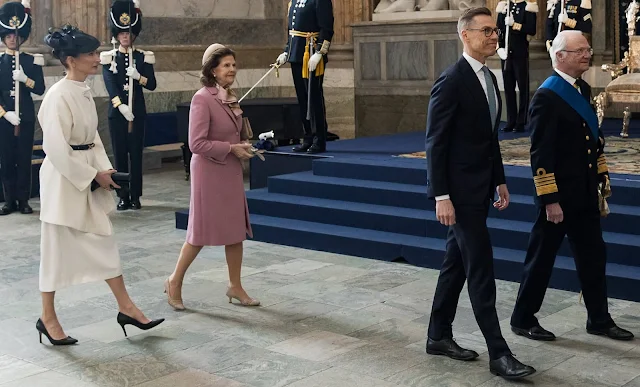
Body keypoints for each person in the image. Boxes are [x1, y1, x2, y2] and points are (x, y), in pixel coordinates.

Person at [424, 7, 536, 380]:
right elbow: (435, 143)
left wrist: (499, 179)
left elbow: (489, 137)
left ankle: (438, 335)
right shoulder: (452, 80)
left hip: (480, 186)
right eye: (486, 30)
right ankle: (499, 354)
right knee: (481, 269)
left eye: (495, 30)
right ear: (465, 35)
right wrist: (441, 195)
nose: (494, 35)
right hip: (459, 194)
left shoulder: (489, 77)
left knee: (455, 265)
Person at [37, 24, 164, 346]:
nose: (97, 58)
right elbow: (55, 148)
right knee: (54, 253)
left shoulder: (81, 90)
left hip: (84, 176)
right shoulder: (57, 96)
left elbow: (91, 138)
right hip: (63, 182)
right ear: (70, 59)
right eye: (91, 54)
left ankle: (127, 308)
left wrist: (105, 169)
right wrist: (92, 175)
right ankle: (47, 318)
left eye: (96, 53)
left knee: (104, 242)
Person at [510, 30, 634, 342]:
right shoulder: (547, 97)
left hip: (584, 194)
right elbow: (541, 154)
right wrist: (550, 199)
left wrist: (601, 179)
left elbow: (593, 142)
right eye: (580, 50)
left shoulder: (581, 88)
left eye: (588, 49)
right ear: (560, 56)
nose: (587, 54)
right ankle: (523, 318)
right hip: (560, 198)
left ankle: (599, 319)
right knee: (541, 259)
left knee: (594, 257)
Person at [165, 43, 259, 310]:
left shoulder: (230, 96)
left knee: (235, 230)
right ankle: (174, 281)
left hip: (229, 170)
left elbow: (235, 133)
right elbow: (196, 144)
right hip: (208, 171)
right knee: (200, 233)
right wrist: (231, 148)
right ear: (213, 70)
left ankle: (235, 286)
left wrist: (245, 145)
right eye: (226, 65)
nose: (232, 69)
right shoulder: (202, 98)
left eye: (233, 64)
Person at [101, 0, 156, 210]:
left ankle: (135, 195)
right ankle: (122, 195)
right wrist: (121, 106)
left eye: (129, 32)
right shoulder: (109, 58)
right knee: (120, 154)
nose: (125, 36)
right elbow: (110, 86)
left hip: (138, 112)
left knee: (136, 155)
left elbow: (151, 84)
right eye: (122, 32)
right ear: (116, 34)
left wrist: (139, 76)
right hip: (118, 114)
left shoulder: (143, 57)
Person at [0, 0, 45, 215]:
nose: (12, 39)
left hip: (25, 117)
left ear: (21, 38)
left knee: (23, 161)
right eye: (8, 36)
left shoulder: (31, 61)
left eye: (15, 36)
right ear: (3, 37)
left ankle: (23, 200)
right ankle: (9, 201)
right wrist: (5, 113)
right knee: (7, 160)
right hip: (4, 119)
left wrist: (25, 79)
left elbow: (40, 89)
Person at [274, 0, 334, 154]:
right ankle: (307, 137)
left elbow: (326, 29)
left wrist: (320, 52)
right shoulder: (293, 1)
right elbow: (291, 30)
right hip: (297, 54)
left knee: (313, 99)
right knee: (302, 98)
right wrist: (287, 51)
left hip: (312, 54)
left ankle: (319, 139)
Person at [496, 0, 537, 133]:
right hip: (506, 53)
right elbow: (498, 29)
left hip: (520, 52)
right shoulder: (504, 6)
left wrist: (515, 25)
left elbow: (531, 29)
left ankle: (521, 121)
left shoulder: (528, 6)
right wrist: (499, 48)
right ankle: (511, 120)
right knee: (508, 88)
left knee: (522, 87)